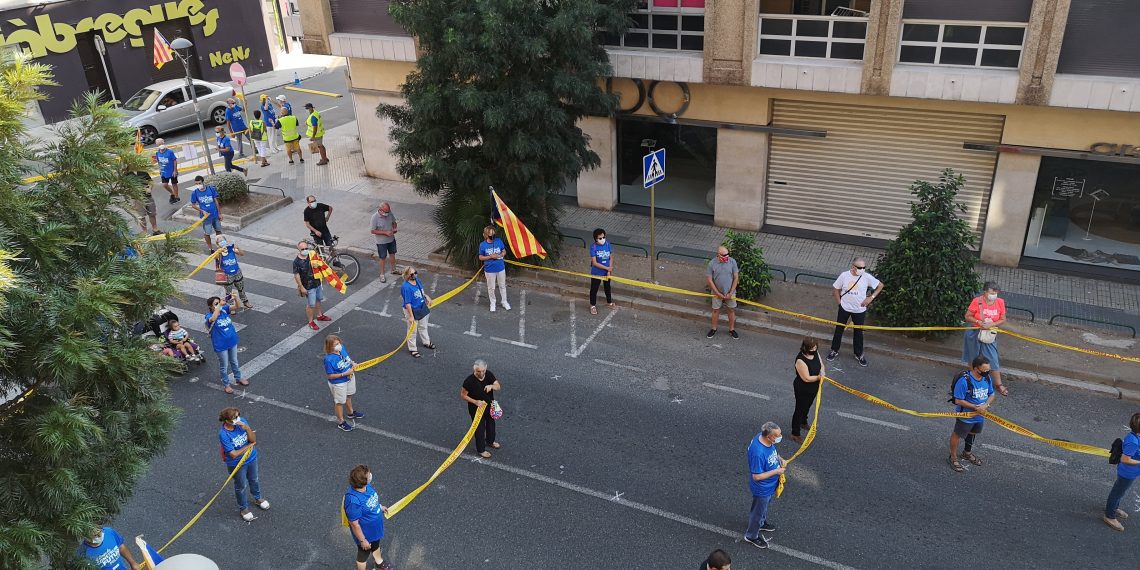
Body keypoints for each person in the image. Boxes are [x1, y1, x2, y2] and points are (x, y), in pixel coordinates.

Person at [827, 257, 883, 367]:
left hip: (859, 310)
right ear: (853, 267)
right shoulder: (844, 275)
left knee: (858, 332)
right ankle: (834, 350)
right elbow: (836, 289)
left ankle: (859, 354)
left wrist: (870, 298)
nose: (862, 269)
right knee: (839, 329)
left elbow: (880, 286)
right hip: (844, 308)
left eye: (864, 267)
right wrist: (839, 303)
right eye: (860, 267)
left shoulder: (866, 277)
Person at [218, 406, 270, 521]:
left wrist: (246, 428)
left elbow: (253, 440)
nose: (238, 419)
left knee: (254, 479)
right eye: (234, 418)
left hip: (251, 458)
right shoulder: (224, 434)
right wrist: (248, 447)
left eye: (238, 416)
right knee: (241, 486)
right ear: (227, 421)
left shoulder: (243, 423)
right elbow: (233, 454)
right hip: (237, 464)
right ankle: (243, 509)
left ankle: (258, 498)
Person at [947, 355, 995, 473]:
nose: (987, 372)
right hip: (966, 415)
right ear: (975, 369)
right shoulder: (964, 381)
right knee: (957, 435)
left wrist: (985, 405)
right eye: (984, 370)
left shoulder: (987, 378)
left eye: (988, 370)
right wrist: (975, 407)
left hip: (980, 415)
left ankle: (966, 453)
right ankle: (953, 457)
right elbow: (958, 400)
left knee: (973, 432)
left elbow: (992, 394)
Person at [962, 281, 1010, 397]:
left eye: (996, 293)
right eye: (992, 292)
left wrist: (991, 324)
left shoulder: (1000, 302)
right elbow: (967, 316)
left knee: (992, 359)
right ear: (985, 292)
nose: (994, 295)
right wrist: (978, 322)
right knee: (973, 358)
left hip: (989, 334)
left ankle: (998, 384)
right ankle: (973, 381)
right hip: (974, 333)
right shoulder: (977, 301)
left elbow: (1003, 319)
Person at [343, 464, 392, 570]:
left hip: (375, 529)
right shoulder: (353, 501)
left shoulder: (366, 487)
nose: (370, 475)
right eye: (368, 474)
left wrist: (380, 507)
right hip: (365, 534)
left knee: (376, 545)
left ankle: (379, 563)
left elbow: (371, 500)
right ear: (362, 481)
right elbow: (354, 524)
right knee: (363, 554)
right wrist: (362, 540)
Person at [744, 421, 785, 549]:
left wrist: (779, 459)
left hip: (769, 485)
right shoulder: (758, 453)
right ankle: (751, 535)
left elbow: (772, 452)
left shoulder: (763, 437)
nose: (780, 437)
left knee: (763, 508)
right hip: (762, 488)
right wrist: (777, 471)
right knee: (757, 511)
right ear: (769, 436)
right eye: (777, 435)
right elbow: (756, 476)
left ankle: (761, 523)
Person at [1104, 412, 1140, 531]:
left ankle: (1114, 508)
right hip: (1127, 473)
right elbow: (1125, 459)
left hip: (1131, 472)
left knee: (1120, 491)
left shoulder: (1135, 436)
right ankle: (1109, 516)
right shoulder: (1133, 442)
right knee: (1117, 493)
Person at [460, 359, 501, 458]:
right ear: (474, 370)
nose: (481, 373)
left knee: (491, 424)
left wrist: (492, 386)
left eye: (483, 371)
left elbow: (498, 386)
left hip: (489, 405)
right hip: (476, 409)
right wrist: (475, 402)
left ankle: (490, 441)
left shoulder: (489, 375)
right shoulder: (469, 381)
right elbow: (463, 395)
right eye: (479, 371)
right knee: (480, 428)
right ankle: (481, 449)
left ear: (486, 369)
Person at [205, 296, 245, 394]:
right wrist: (219, 306)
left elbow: (238, 306)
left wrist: (236, 298)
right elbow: (213, 318)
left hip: (232, 341)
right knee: (224, 365)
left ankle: (238, 378)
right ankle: (226, 384)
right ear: (210, 306)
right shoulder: (209, 315)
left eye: (219, 302)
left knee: (234, 361)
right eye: (215, 304)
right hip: (220, 345)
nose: (219, 304)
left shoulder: (223, 311)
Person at [325, 334, 364, 432]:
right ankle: (341, 422)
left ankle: (350, 413)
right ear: (330, 347)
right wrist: (344, 374)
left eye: (338, 343)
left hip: (350, 377)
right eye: (335, 345)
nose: (339, 345)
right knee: (339, 402)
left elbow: (347, 358)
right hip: (339, 383)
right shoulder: (328, 359)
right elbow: (330, 376)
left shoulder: (342, 349)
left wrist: (353, 363)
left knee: (349, 395)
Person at [791, 337, 824, 444]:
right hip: (803, 388)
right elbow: (806, 378)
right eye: (812, 347)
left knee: (808, 405)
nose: (815, 349)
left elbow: (821, 364)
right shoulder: (800, 360)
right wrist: (819, 377)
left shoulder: (815, 352)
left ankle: (803, 422)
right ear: (806, 348)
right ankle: (795, 433)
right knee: (799, 409)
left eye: (816, 347)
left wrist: (822, 372)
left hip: (814, 387)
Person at [293, 240, 332, 330]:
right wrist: (301, 287)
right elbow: (296, 275)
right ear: (299, 249)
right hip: (308, 286)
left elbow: (321, 264)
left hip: (317, 283)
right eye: (302, 249)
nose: (305, 250)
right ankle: (311, 322)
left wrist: (318, 263)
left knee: (318, 299)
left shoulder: (312, 255)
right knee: (311, 304)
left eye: (306, 248)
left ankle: (319, 315)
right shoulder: (296, 262)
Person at [706, 245, 740, 339]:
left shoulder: (732, 261)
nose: (726, 257)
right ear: (718, 255)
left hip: (731, 292)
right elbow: (709, 280)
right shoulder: (712, 264)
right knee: (715, 310)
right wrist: (717, 293)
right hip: (717, 292)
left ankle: (732, 329)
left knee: (731, 310)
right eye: (724, 255)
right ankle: (713, 329)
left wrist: (731, 292)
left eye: (727, 255)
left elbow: (736, 277)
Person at [401, 266, 434, 358]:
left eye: (415, 272)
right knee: (412, 330)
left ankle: (426, 342)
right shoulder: (406, 287)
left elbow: (421, 292)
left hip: (420, 307)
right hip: (411, 310)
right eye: (412, 274)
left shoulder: (417, 281)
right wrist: (411, 316)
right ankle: (412, 348)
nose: (415, 275)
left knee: (423, 326)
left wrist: (426, 297)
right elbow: (407, 303)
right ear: (407, 275)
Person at [478, 225, 510, 312]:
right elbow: (480, 257)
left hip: (500, 268)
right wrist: (490, 257)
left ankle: (504, 301)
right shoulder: (483, 245)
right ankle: (493, 303)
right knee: (491, 287)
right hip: (489, 270)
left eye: (493, 234)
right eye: (490, 234)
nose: (492, 236)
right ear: (486, 235)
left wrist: (499, 255)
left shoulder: (499, 241)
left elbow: (504, 251)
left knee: (502, 286)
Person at [215, 234, 252, 311]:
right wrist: (219, 251)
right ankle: (231, 307)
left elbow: (242, 254)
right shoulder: (218, 252)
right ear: (217, 244)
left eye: (223, 240)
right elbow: (216, 259)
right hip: (227, 275)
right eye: (220, 241)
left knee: (241, 288)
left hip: (237, 272)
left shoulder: (231, 249)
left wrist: (237, 247)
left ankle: (245, 301)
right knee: (228, 292)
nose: (222, 242)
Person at [189, 175, 223, 251]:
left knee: (218, 230)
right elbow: (193, 205)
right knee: (207, 233)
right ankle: (210, 248)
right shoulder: (195, 193)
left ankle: (221, 246)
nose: (198, 185)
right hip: (206, 218)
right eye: (196, 183)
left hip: (215, 215)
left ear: (203, 182)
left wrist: (220, 213)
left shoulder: (211, 189)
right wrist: (202, 211)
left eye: (199, 183)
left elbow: (216, 202)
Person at [588, 228, 614, 315]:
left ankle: (609, 302)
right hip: (597, 272)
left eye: (603, 237)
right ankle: (592, 305)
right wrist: (607, 269)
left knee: (607, 287)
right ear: (596, 239)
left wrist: (609, 269)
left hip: (607, 272)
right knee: (594, 289)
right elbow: (595, 263)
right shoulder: (593, 247)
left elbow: (611, 257)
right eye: (600, 238)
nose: (602, 239)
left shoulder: (607, 244)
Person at [370, 202, 399, 282]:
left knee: (392, 254)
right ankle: (382, 274)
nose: (387, 213)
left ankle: (393, 269)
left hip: (391, 239)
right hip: (381, 242)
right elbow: (372, 231)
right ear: (380, 210)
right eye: (386, 212)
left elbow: (394, 222)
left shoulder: (389, 213)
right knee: (382, 257)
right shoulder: (374, 217)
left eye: (388, 211)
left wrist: (394, 228)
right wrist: (385, 233)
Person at [131, 170, 160, 235]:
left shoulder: (143, 172)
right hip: (137, 198)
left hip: (148, 196)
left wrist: (150, 188)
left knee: (152, 213)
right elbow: (125, 188)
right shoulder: (127, 175)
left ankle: (155, 229)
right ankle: (145, 232)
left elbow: (150, 181)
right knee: (141, 216)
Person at [152, 138, 179, 204]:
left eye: (161, 144)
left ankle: (176, 196)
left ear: (164, 143)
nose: (160, 145)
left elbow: (174, 161)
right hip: (164, 172)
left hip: (172, 171)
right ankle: (172, 193)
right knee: (164, 185)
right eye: (158, 144)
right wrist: (160, 170)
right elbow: (158, 161)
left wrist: (175, 171)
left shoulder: (170, 152)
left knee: (174, 184)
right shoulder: (157, 152)